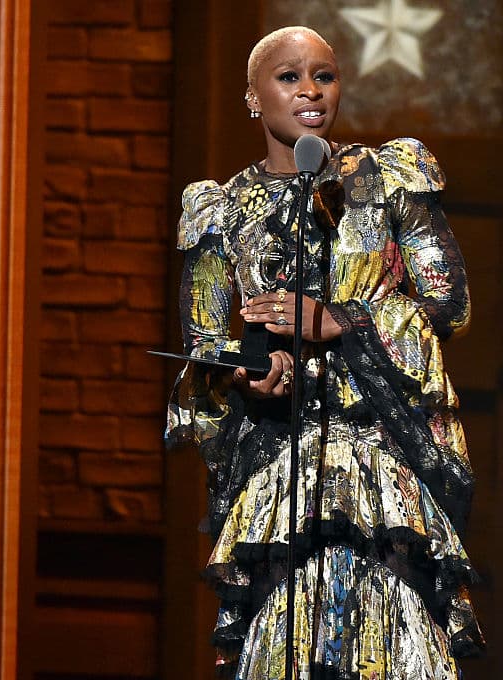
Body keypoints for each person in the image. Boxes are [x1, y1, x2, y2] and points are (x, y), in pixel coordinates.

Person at [166, 25, 484, 679]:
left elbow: (448, 303)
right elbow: (204, 341)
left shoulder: (386, 179)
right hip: (281, 462)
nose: (310, 90)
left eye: (324, 76)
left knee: (396, 632)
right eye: (288, 77)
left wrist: (338, 320)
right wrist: (252, 373)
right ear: (253, 98)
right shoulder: (221, 209)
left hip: (381, 455)